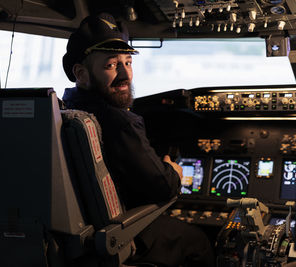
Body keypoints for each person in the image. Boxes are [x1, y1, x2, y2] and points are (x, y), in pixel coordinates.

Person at [62, 13, 215, 267]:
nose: (125, 75)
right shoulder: (118, 121)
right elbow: (163, 187)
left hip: (88, 235)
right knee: (198, 242)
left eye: (128, 62)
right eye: (111, 65)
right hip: (122, 233)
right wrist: (174, 172)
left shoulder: (68, 109)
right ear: (82, 73)